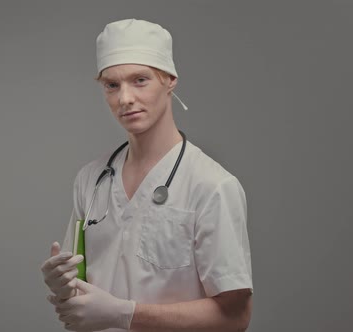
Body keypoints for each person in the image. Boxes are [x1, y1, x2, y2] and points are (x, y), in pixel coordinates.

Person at [41, 18, 253, 331]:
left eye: (140, 80)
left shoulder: (212, 186)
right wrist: (64, 289)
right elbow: (83, 295)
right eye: (112, 85)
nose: (124, 98)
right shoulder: (91, 180)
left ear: (170, 79)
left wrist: (125, 313)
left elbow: (236, 317)